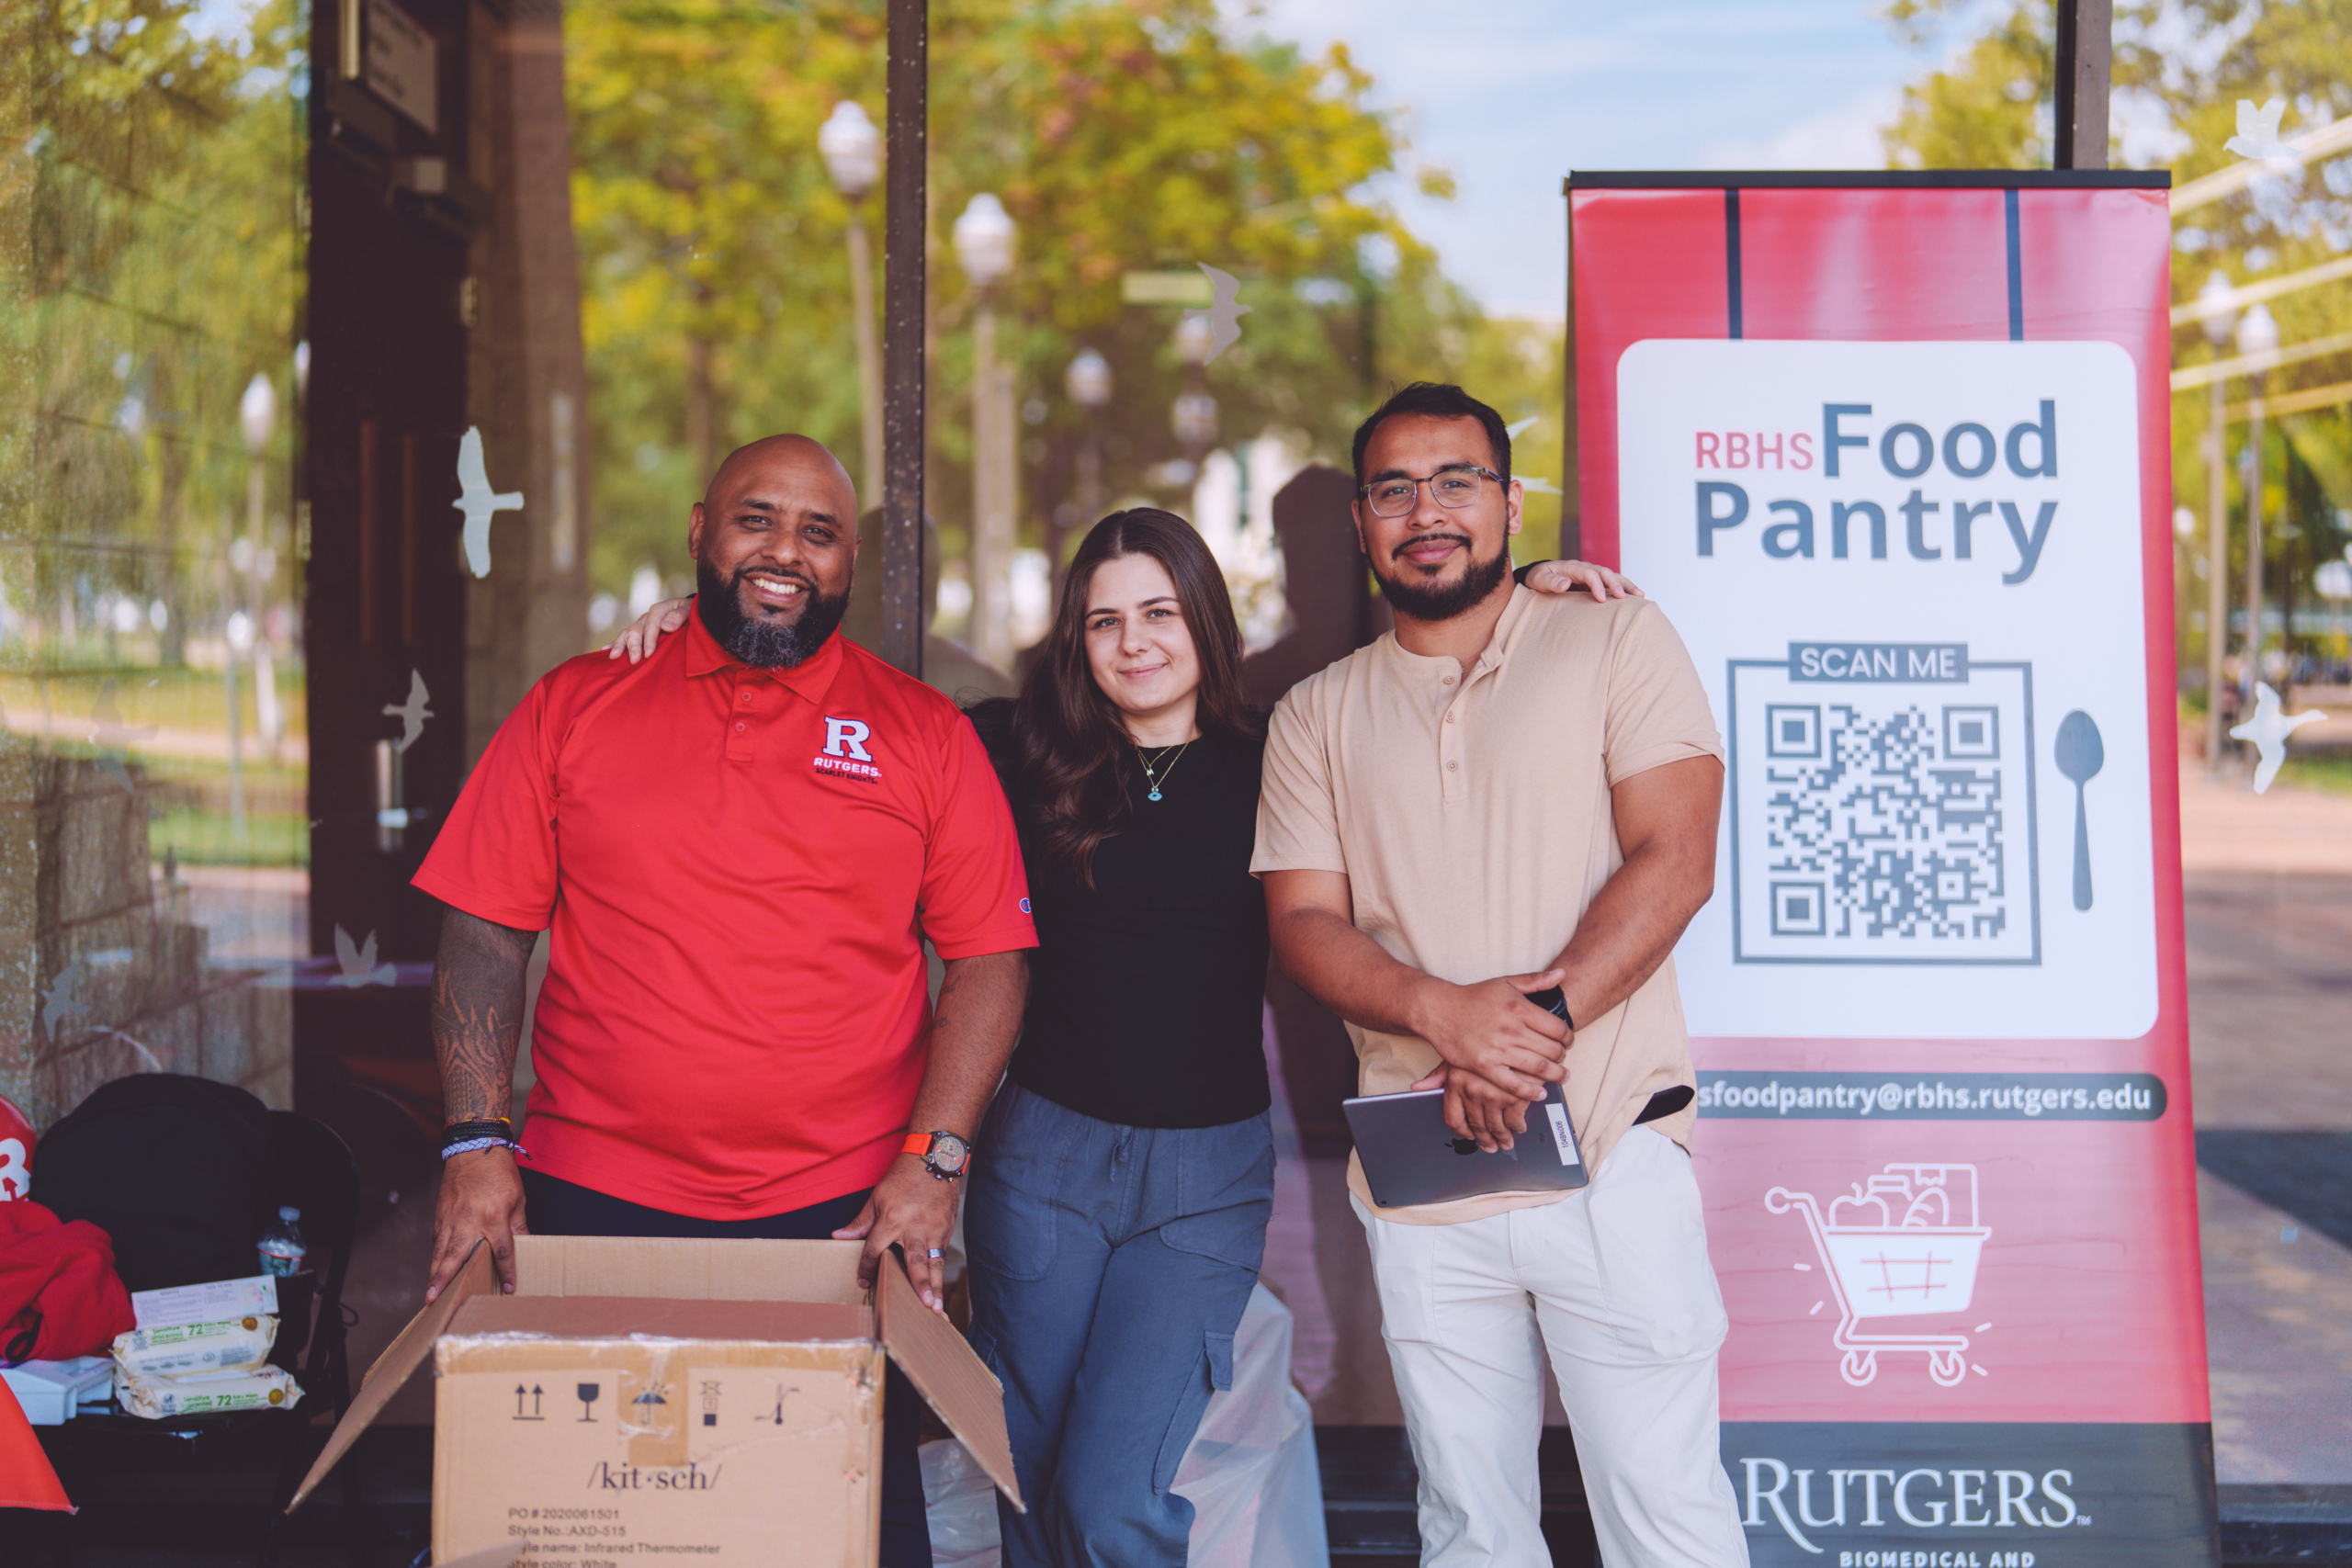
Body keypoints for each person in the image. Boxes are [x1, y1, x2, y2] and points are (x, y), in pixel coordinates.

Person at [616, 502, 1634, 1565]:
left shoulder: (1283, 750)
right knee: (1027, 1477)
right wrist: (709, 617)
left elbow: (1427, 700)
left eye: (1158, 613)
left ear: (1204, 620)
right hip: (1042, 1163)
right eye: (1103, 622)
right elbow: (850, 706)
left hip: (1204, 1178)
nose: (1134, 642)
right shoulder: (1012, 746)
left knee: (1111, 1501)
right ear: (1075, 637)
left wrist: (1524, 598)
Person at [417, 434, 1036, 1568]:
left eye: (819, 531)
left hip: (842, 1216)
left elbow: (992, 960)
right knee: (592, 1528)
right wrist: (474, 1141)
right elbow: (484, 928)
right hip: (593, 1194)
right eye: (758, 519)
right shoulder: (576, 703)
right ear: (700, 531)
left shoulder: (923, 734)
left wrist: (935, 1162)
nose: (785, 552)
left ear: (851, 564)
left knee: (838, 1530)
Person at [1255, 383, 1748, 1567]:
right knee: (1471, 1530)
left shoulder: (1616, 635)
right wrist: (1446, 1020)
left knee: (1665, 1518)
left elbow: (1675, 860)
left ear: (1510, 502)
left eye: (1456, 480)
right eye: (1394, 489)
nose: (1427, 510)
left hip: (1614, 1160)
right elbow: (1304, 925)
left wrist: (1523, 1038)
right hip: (1427, 1183)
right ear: (1364, 526)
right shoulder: (1314, 714)